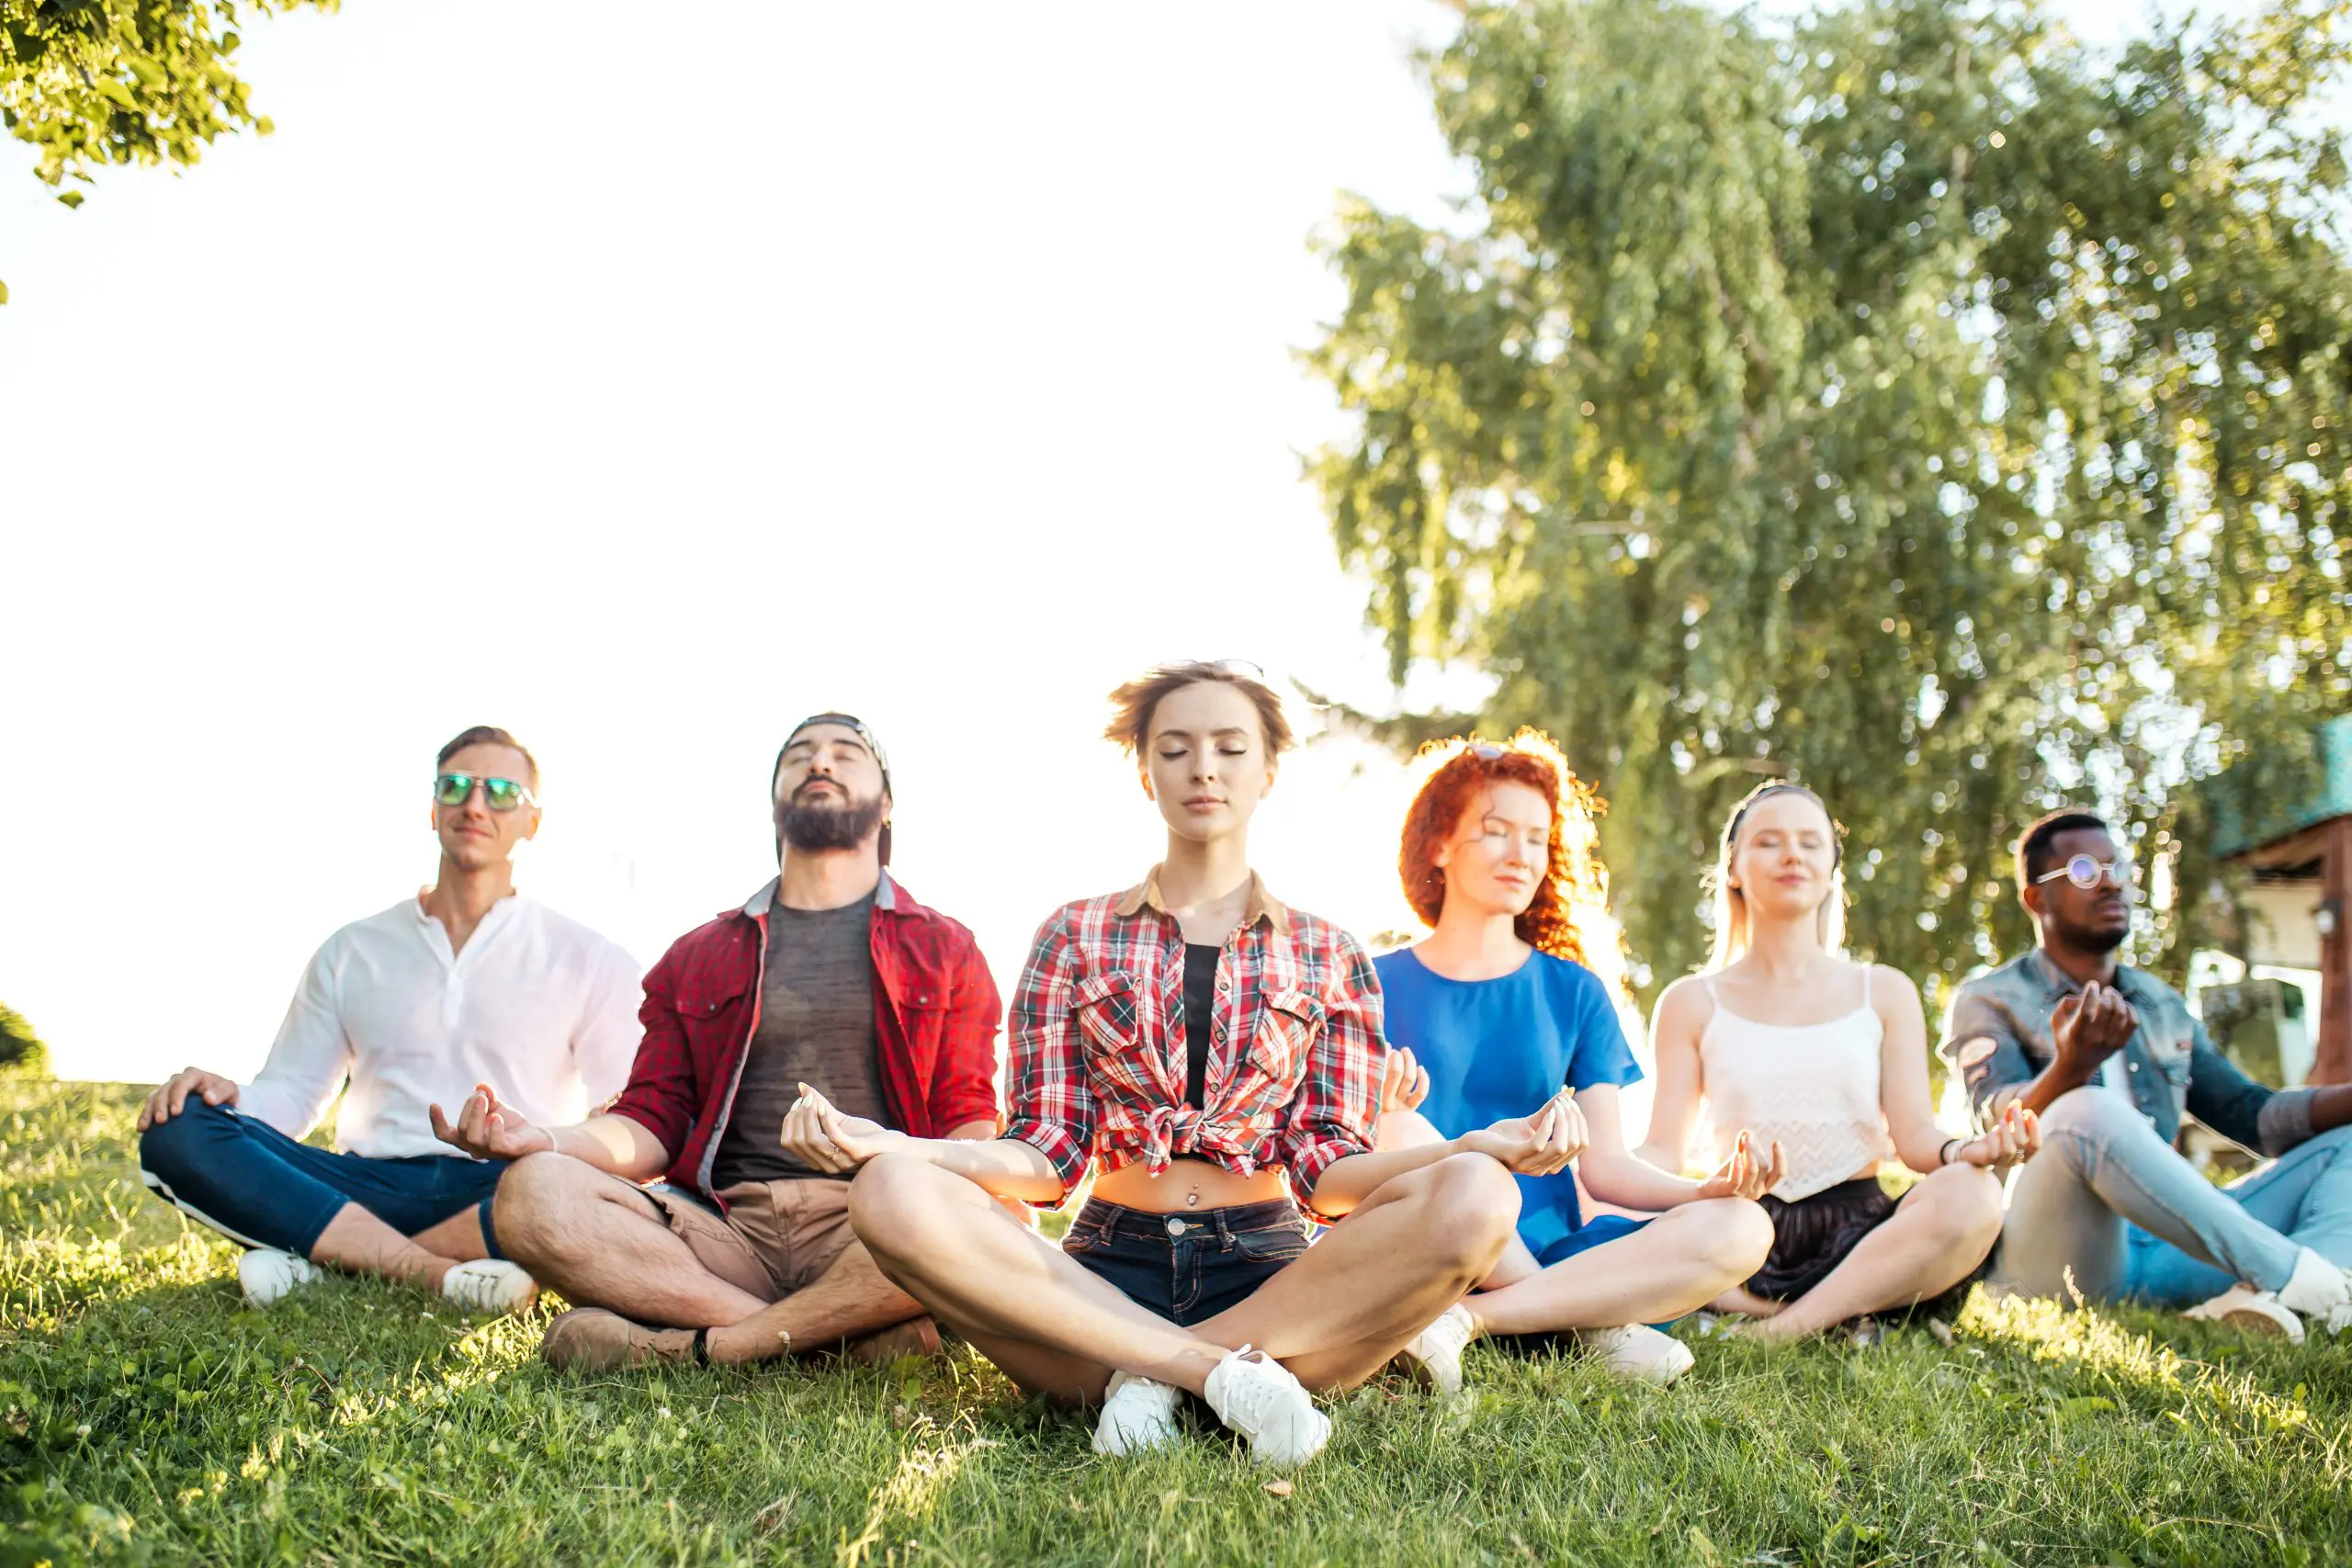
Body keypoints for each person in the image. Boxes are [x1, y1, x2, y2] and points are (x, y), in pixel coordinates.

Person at [791, 662, 1568, 1469]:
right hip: (1103, 1277)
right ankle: (1208, 1371)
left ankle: (1155, 1371)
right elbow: (1046, 1154)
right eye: (1176, 748)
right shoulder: (1074, 933)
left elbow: (1330, 1171)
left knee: (1482, 1192)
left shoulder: (1329, 953)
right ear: (1145, 771)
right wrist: (897, 1146)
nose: (1204, 767)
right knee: (887, 1190)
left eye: (1231, 747)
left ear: (1267, 770)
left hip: (1273, 1280)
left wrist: (1474, 1148)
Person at [434, 713, 1003, 1371]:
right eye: (800, 755)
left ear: (888, 802)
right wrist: (548, 1139)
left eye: (845, 753)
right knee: (531, 1192)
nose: (820, 762)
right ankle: (824, 1339)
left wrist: (955, 1200)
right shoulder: (701, 954)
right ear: (774, 800)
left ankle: (694, 1345)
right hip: (728, 1230)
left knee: (972, 1218)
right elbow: (651, 1120)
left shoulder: (945, 947)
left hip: (877, 1228)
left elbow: (967, 1119)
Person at [136, 726, 641, 1316]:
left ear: (532, 822)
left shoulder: (588, 957)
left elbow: (628, 1113)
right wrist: (233, 1098)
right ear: (433, 808)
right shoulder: (353, 949)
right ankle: (438, 1276)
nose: (475, 804)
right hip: (361, 1185)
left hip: (505, 1190)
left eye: (502, 792)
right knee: (180, 1130)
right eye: (456, 787)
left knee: (592, 1187)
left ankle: (327, 1264)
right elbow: (295, 1092)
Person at [1373, 733, 1781, 1385]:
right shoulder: (1371, 982)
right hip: (1427, 1239)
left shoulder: (1573, 990)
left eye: (1537, 837)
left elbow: (1610, 1167)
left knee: (1741, 1226)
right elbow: (1346, 1153)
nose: (1521, 854)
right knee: (1395, 1124)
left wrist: (1703, 1189)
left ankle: (1479, 1319)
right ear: (1439, 844)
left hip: (1555, 1249)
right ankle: (1584, 1327)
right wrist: (1380, 1107)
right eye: (1497, 830)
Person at [1643, 782, 2039, 1343]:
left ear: (1831, 865)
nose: (1791, 856)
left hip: (1862, 1233)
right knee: (1618, 1203)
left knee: (1974, 1194)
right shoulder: (1689, 1001)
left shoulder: (1884, 991)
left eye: (1810, 842)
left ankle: (1779, 1327)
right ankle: (1834, 1314)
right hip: (1739, 1229)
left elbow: (1914, 1138)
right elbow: (1661, 1152)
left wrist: (1963, 1151)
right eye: (1769, 842)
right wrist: (1592, 1173)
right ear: (1732, 867)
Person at [1944, 807, 2352, 1340]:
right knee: (2083, 1108)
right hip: (2061, 1257)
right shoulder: (1989, 998)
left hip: (2169, 1250)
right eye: (2086, 871)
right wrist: (2072, 1067)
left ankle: (2309, 1296)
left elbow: (2258, 1119)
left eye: (2120, 869)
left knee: (2344, 1138)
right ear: (2036, 898)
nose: (2112, 884)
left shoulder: (2162, 1005)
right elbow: (1995, 1126)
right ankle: (2298, 1280)